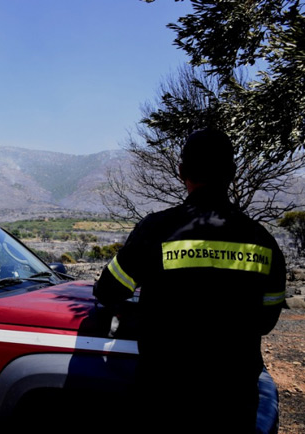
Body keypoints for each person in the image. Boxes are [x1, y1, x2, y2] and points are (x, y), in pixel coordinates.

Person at [94, 129, 285, 433]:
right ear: (233, 174)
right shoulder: (263, 241)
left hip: (166, 399)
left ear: (181, 171)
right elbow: (266, 320)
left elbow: (107, 290)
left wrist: (136, 314)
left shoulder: (155, 229)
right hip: (234, 403)